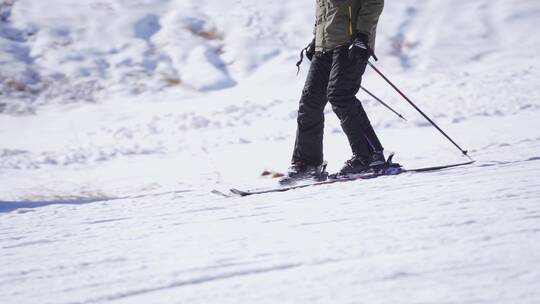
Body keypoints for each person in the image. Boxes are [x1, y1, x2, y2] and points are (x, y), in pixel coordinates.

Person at [282, 0, 386, 184]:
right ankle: (307, 163)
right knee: (309, 102)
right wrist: (317, 39)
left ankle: (369, 155)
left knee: (340, 95)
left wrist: (363, 35)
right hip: (324, 47)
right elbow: (324, 12)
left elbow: (373, 2)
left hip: (351, 43)